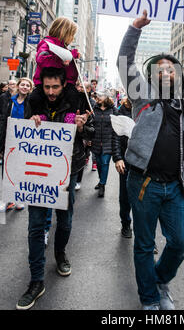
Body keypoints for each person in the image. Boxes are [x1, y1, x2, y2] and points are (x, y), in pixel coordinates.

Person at [117, 10, 184, 310]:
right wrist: (134, 28)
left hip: (175, 189)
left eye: (171, 69)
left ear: (178, 75)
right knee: (144, 245)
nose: (166, 72)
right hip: (142, 184)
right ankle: (149, 299)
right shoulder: (141, 96)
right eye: (160, 68)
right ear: (152, 74)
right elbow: (124, 61)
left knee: (180, 242)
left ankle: (159, 280)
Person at [16, 67, 94, 311]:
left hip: (68, 171)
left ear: (63, 85)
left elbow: (93, 133)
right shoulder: (34, 99)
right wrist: (28, 123)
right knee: (36, 225)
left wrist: (82, 128)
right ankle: (36, 281)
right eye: (46, 87)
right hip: (38, 174)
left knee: (65, 219)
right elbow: (20, 132)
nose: (50, 92)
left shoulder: (76, 101)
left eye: (55, 87)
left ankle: (60, 253)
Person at [29, 17, 81, 116]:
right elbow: (42, 59)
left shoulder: (64, 47)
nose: (73, 38)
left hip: (65, 84)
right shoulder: (47, 43)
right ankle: (40, 117)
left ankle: (70, 117)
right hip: (43, 83)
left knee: (73, 96)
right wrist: (63, 59)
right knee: (35, 98)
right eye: (72, 34)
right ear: (65, 33)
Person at [0, 77, 34, 211]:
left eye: (27, 85)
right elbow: (3, 120)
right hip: (9, 139)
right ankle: (6, 199)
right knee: (7, 170)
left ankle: (19, 198)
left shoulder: (31, 102)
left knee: (21, 171)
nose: (24, 87)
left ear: (30, 89)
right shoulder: (9, 101)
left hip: (24, 142)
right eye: (23, 84)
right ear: (18, 86)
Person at [112, 96, 133, 238]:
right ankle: (125, 223)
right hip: (126, 161)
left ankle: (147, 236)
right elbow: (116, 137)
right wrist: (118, 158)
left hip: (146, 163)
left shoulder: (151, 109)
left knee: (147, 200)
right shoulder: (122, 110)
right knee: (125, 196)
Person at [91, 92, 118, 198]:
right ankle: (100, 180)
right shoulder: (94, 108)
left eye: (101, 95)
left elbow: (117, 126)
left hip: (108, 142)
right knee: (98, 163)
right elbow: (91, 123)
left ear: (106, 97)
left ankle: (102, 184)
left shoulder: (113, 110)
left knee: (105, 163)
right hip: (96, 141)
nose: (98, 97)